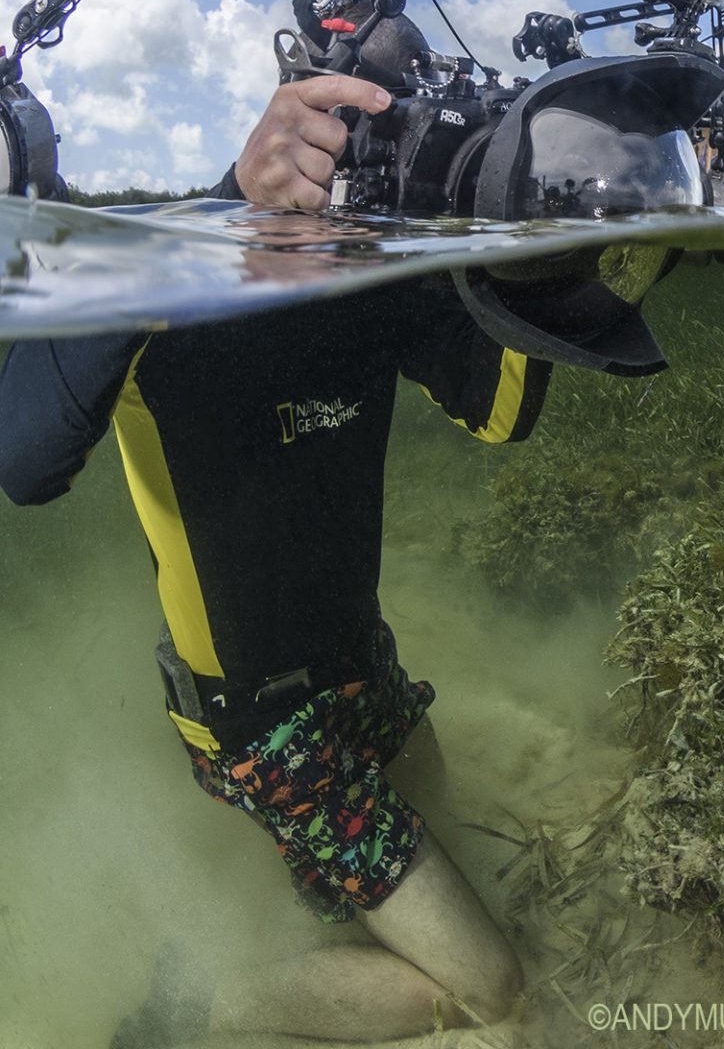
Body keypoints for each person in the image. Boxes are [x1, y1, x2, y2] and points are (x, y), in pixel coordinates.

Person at [0, 75, 543, 1045]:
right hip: (257, 723)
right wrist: (227, 201)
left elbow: (501, 409)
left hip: (360, 664)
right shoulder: (174, 281)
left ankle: (302, 920)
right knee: (485, 988)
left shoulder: (375, 275)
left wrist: (545, 251)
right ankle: (206, 999)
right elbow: (25, 457)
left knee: (441, 832)